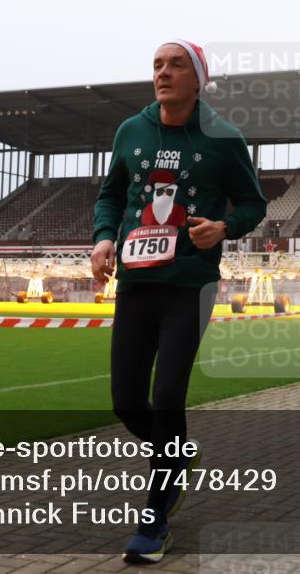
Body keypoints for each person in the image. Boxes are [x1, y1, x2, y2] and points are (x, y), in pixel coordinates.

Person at [91, 39, 266, 564]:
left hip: (190, 284)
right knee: (126, 401)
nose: (163, 73)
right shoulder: (131, 131)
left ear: (199, 80)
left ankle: (155, 518)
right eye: (157, 65)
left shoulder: (224, 138)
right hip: (136, 285)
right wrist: (104, 237)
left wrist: (225, 227)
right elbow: (111, 195)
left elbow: (254, 203)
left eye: (176, 65)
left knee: (167, 396)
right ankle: (179, 457)